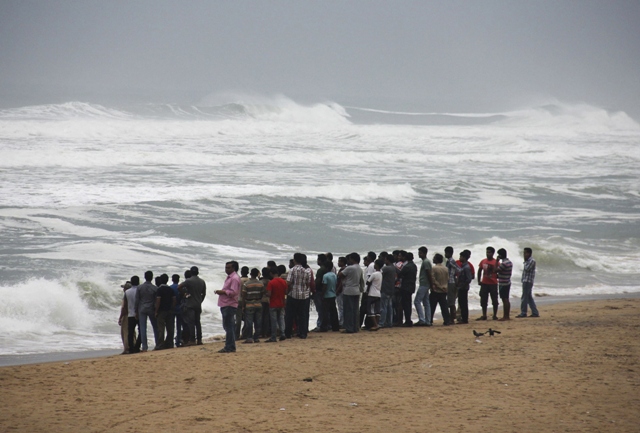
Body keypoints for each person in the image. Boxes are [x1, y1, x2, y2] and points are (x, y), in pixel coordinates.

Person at [215, 261, 241, 353]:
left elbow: (234, 292)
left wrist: (223, 292)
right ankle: (231, 346)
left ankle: (229, 346)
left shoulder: (234, 278)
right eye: (226, 267)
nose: (226, 269)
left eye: (228, 268)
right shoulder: (230, 277)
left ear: (234, 268)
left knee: (229, 326)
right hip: (226, 304)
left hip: (229, 304)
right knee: (228, 326)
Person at [285, 253, 312, 339]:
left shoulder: (292, 270)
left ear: (295, 260)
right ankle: (303, 333)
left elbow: (288, 282)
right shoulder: (307, 271)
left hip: (293, 294)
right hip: (304, 295)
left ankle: (288, 333)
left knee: (290, 315)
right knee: (302, 315)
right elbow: (308, 283)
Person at [339, 253, 364, 334]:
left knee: (348, 310)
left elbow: (340, 275)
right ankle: (355, 327)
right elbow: (361, 280)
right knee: (355, 310)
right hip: (356, 290)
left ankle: (349, 328)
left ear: (353, 259)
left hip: (348, 290)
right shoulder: (359, 268)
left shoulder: (350, 268)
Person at [135, 270, 158, 352]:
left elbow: (137, 300)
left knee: (142, 328)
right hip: (151, 308)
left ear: (144, 277)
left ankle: (144, 347)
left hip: (142, 308)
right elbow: (156, 301)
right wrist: (156, 310)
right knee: (155, 327)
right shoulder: (155, 288)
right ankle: (157, 344)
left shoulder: (140, 287)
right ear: (152, 278)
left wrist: (136, 311)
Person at [241, 268, 266, 344]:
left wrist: (243, 306)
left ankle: (249, 337)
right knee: (258, 322)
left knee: (249, 322)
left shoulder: (246, 284)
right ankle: (256, 337)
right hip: (258, 304)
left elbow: (243, 296)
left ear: (250, 274)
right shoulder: (260, 284)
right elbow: (262, 294)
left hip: (249, 304)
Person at [477, 246, 499, 321]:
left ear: (493, 253)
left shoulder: (496, 262)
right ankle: (484, 315)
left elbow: (499, 271)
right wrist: (479, 280)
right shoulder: (483, 261)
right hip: (484, 283)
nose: (488, 254)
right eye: (487, 252)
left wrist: (497, 277)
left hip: (493, 283)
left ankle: (495, 315)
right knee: (483, 300)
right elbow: (479, 270)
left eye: (489, 252)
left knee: (494, 300)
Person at [265, 267, 287, 342]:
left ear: (271, 273)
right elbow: (286, 292)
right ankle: (282, 333)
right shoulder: (283, 281)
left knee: (273, 320)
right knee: (281, 319)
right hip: (281, 302)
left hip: (273, 303)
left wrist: (265, 293)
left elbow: (269, 294)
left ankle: (273, 336)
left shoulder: (271, 282)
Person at [155, 274, 176, 349]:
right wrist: (172, 308)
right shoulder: (170, 289)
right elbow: (174, 300)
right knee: (170, 328)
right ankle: (170, 343)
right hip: (169, 310)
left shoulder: (159, 290)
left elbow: (158, 301)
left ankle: (161, 344)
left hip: (161, 310)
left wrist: (156, 311)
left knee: (161, 328)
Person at [430, 254, 452, 325]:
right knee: (444, 307)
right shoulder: (446, 268)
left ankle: (429, 320)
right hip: (444, 289)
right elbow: (448, 278)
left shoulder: (434, 268)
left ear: (436, 260)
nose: (433, 259)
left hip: (436, 290)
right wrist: (444, 287)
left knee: (432, 306)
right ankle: (447, 320)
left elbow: (433, 280)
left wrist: (439, 286)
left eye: (434, 258)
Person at [517, 248, 540, 318]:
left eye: (525, 253)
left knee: (524, 297)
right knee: (529, 297)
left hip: (528, 281)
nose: (524, 255)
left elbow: (527, 269)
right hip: (526, 280)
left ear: (529, 253)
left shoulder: (532, 261)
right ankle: (535, 312)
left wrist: (525, 261)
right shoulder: (528, 261)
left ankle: (523, 312)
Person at [415, 246, 434, 326]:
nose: (419, 254)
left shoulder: (426, 262)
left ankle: (422, 319)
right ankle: (428, 320)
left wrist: (431, 284)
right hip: (426, 284)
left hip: (424, 284)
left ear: (424, 253)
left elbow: (429, 273)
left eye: (420, 253)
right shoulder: (426, 261)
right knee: (426, 303)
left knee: (417, 301)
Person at [397, 251, 417, 327]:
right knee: (408, 303)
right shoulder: (414, 265)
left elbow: (400, 274)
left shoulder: (407, 266)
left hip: (406, 287)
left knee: (405, 304)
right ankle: (408, 320)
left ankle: (408, 321)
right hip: (411, 286)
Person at [320, 261, 340, 332]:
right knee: (333, 311)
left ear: (327, 267)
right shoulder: (334, 275)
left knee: (325, 312)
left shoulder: (325, 276)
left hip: (327, 296)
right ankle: (335, 327)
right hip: (333, 294)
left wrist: (322, 295)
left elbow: (324, 286)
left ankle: (324, 327)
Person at [456, 250, 473, 324]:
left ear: (464, 258)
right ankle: (463, 318)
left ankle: (464, 319)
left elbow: (468, 279)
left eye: (461, 257)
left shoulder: (466, 267)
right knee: (461, 302)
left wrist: (463, 286)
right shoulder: (463, 266)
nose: (460, 258)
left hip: (463, 287)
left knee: (463, 303)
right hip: (461, 287)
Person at [125, 276, 141, 353]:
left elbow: (125, 304)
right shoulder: (140, 290)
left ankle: (131, 348)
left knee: (130, 332)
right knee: (141, 331)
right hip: (139, 313)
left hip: (130, 314)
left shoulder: (127, 292)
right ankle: (137, 346)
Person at [496, 248, 513, 321]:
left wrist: (496, 261)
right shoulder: (509, 262)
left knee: (504, 299)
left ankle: (505, 316)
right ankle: (507, 315)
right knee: (506, 299)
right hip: (507, 281)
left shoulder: (503, 263)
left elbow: (495, 270)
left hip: (503, 283)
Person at [365, 259, 383, 331]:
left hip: (372, 293)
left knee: (370, 310)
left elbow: (368, 282)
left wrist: (367, 291)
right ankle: (377, 323)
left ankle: (375, 325)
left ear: (377, 265)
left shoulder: (374, 274)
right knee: (377, 310)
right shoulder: (380, 274)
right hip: (378, 293)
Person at [379, 255, 396, 328]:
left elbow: (379, 274)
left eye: (385, 260)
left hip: (385, 289)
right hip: (391, 289)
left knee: (383, 307)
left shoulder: (386, 268)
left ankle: (382, 322)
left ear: (388, 260)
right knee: (389, 307)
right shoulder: (394, 268)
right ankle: (389, 322)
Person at [312, 254, 328, 332]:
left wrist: (313, 289)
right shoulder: (327, 269)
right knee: (324, 309)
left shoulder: (321, 270)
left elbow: (318, 281)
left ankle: (320, 325)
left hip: (319, 291)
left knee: (320, 309)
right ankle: (325, 324)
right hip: (325, 291)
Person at [444, 246, 458, 326]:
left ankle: (452, 318)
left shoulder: (451, 261)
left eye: (446, 253)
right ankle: (452, 317)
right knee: (450, 300)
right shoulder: (449, 261)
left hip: (451, 282)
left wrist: (456, 277)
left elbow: (458, 269)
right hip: (449, 281)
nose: (445, 254)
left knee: (451, 300)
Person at [117, 281, 132, 354]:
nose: (123, 290)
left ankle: (126, 348)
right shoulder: (133, 294)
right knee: (132, 332)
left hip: (126, 315)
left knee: (125, 332)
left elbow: (123, 308)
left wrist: (120, 317)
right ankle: (132, 346)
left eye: (124, 288)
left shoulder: (126, 295)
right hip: (132, 314)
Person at [169, 274, 183, 347]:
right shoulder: (181, 287)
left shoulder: (170, 288)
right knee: (179, 326)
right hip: (180, 308)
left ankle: (170, 341)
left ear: (172, 279)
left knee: (171, 326)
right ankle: (178, 341)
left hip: (172, 308)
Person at [335, 256, 347, 328]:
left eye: (339, 261)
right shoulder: (345, 269)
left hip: (341, 291)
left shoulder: (342, 270)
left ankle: (342, 322)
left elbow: (341, 282)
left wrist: (338, 290)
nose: (338, 263)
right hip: (344, 290)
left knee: (341, 307)